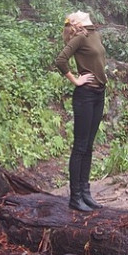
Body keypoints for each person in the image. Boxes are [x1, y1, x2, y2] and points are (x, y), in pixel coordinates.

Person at [55, 11, 107, 212]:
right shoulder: (80, 37)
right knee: (80, 146)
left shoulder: (94, 34)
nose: (80, 10)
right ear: (76, 22)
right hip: (85, 95)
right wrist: (76, 79)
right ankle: (75, 197)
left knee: (89, 146)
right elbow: (60, 60)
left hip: (99, 94)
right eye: (75, 13)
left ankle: (86, 193)